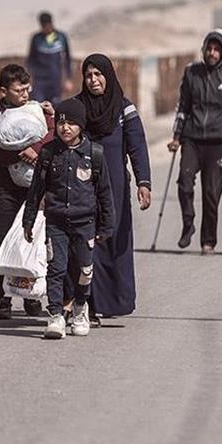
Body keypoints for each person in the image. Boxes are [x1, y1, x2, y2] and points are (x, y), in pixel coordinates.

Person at [23, 98, 114, 340]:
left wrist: (107, 225)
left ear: (81, 126)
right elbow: (36, 190)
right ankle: (55, 316)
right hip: (56, 222)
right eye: (61, 122)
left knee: (85, 269)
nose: (65, 128)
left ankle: (80, 308)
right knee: (56, 268)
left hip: (85, 224)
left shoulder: (94, 154)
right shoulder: (48, 154)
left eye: (72, 123)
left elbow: (104, 192)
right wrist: (28, 220)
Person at [74, 54, 151, 319]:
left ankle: (114, 301)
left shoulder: (123, 109)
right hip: (82, 186)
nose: (93, 80)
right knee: (86, 242)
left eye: (98, 74)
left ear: (108, 75)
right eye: (88, 75)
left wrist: (144, 182)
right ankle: (88, 304)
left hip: (115, 187)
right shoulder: (78, 109)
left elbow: (137, 147)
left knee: (113, 239)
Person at [0, 64, 54, 319]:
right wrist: (25, 152)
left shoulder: (37, 111)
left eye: (26, 88)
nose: (24, 94)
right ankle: (3, 300)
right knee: (4, 241)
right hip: (5, 189)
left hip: (34, 188)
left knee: (33, 241)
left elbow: (51, 136)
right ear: (4, 91)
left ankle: (31, 298)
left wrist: (38, 148)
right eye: (18, 90)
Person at [168, 29, 222, 255]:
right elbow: (182, 106)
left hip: (218, 142)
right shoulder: (191, 71)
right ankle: (188, 223)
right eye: (209, 48)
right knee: (184, 183)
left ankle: (209, 241)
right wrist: (176, 137)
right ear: (204, 49)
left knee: (211, 193)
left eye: (217, 49)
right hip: (192, 139)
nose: (212, 53)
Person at [25, 11, 73, 104]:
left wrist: (68, 78)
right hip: (39, 81)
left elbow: (68, 58)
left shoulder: (61, 37)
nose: (46, 28)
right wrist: (28, 78)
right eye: (43, 25)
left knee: (55, 105)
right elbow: (30, 60)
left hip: (55, 79)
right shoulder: (36, 38)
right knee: (38, 105)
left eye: (47, 25)